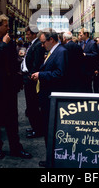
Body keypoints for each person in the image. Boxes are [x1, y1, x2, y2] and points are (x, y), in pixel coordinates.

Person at [0, 14, 32, 159]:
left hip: (9, 88)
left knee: (12, 120)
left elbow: (13, 62)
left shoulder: (9, 41)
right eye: (6, 25)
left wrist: (18, 79)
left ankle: (16, 148)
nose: (8, 28)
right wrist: (3, 43)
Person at [31, 28, 68, 167]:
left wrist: (41, 75)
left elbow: (60, 74)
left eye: (43, 42)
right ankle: (51, 157)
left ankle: (52, 159)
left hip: (52, 97)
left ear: (51, 40)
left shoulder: (61, 52)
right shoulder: (54, 51)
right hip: (48, 97)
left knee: (51, 129)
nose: (42, 45)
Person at [21, 26, 45, 139]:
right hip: (28, 78)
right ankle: (34, 126)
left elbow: (36, 63)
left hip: (32, 80)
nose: (26, 36)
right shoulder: (32, 44)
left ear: (34, 34)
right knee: (30, 106)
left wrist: (31, 76)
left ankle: (38, 129)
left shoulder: (37, 46)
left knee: (33, 105)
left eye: (28, 34)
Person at [79, 28, 99, 92]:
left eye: (81, 35)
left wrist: (86, 55)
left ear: (86, 34)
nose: (80, 37)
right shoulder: (82, 43)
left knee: (88, 87)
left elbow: (95, 55)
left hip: (89, 69)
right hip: (83, 69)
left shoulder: (92, 43)